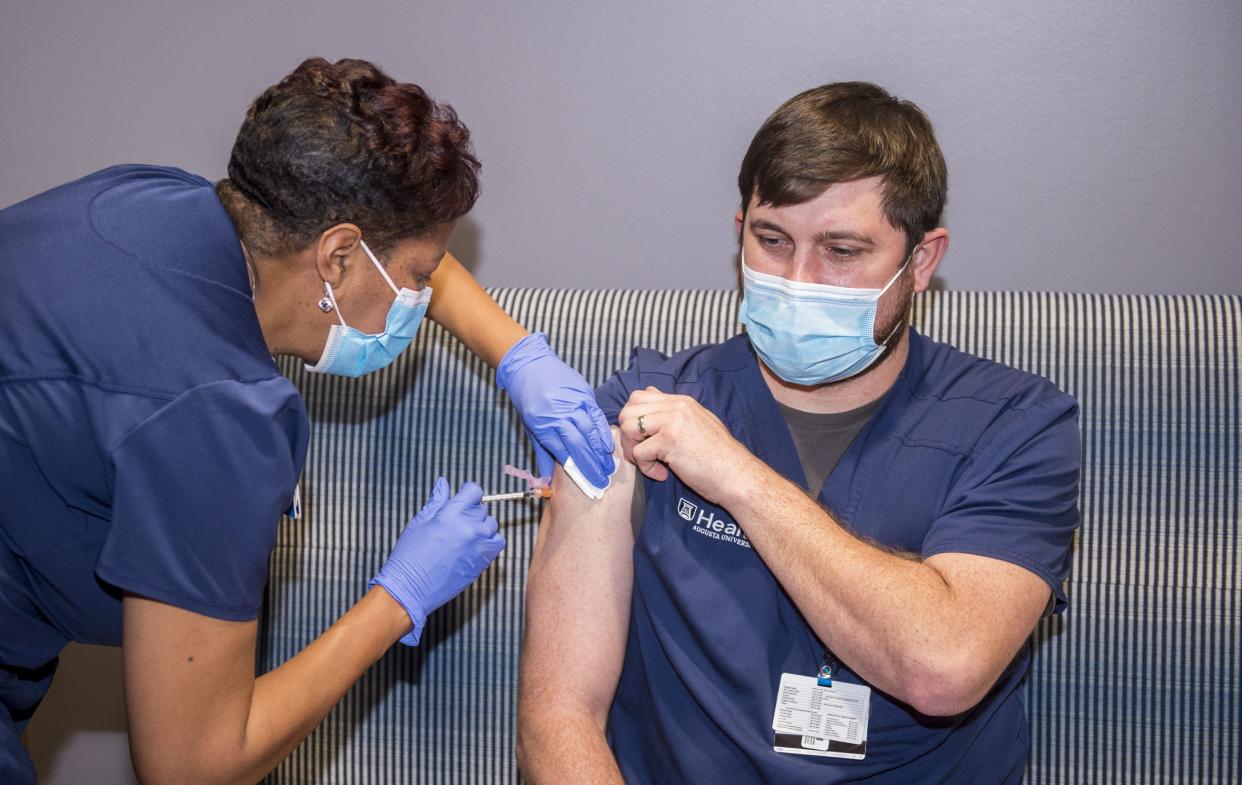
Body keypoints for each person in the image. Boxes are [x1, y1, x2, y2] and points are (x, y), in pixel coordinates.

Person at [0, 58, 614, 785]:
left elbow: (380, 235)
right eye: (420, 276)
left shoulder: (150, 201)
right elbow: (191, 765)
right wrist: (399, 598)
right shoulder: (223, 418)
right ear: (338, 256)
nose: (422, 298)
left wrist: (517, 356)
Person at [517, 82, 1081, 784]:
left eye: (841, 250)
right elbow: (559, 716)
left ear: (922, 261)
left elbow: (944, 666)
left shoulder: (1017, 426)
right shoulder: (647, 403)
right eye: (772, 240)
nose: (797, 279)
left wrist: (735, 471)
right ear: (740, 231)